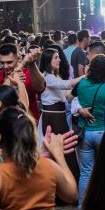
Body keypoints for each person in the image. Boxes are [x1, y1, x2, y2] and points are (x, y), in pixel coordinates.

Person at [72, 55, 105, 210]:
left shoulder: (81, 84)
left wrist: (80, 109)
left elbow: (72, 97)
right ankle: (103, 208)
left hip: (84, 133)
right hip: (103, 132)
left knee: (86, 172)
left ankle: (82, 208)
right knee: (104, 171)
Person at [39, 48, 83, 180]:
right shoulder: (47, 77)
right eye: (56, 57)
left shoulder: (54, 76)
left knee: (64, 145)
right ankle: (65, 179)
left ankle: (68, 178)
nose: (59, 60)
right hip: (53, 116)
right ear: (48, 60)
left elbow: (66, 95)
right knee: (61, 146)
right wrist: (84, 76)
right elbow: (66, 85)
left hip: (59, 115)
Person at [0, 45, 45, 120]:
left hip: (28, 124)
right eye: (2, 63)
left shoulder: (28, 73)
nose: (5, 66)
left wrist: (32, 64)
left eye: (9, 62)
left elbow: (40, 88)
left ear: (19, 58)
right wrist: (22, 64)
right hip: (3, 124)